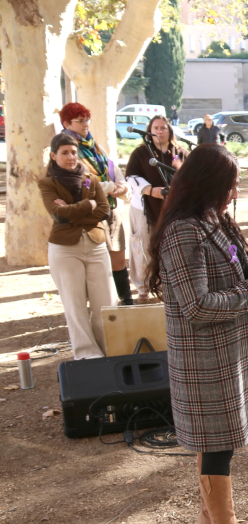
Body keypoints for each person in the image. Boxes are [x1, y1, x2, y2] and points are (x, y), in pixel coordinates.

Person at [146, 144, 248, 524]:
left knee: (218, 442)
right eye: (228, 185)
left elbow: (229, 260)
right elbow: (196, 305)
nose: (233, 193)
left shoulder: (210, 217)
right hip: (203, 358)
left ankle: (211, 517)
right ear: (206, 184)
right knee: (217, 445)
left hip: (224, 351)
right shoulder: (182, 231)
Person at [39, 134, 116, 359]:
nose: (71, 157)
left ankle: (109, 350)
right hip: (64, 249)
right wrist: (87, 205)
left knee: (106, 303)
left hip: (96, 245)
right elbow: (59, 216)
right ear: (54, 156)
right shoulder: (47, 183)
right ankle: (87, 355)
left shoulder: (90, 179)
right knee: (75, 306)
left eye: (73, 152)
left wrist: (73, 210)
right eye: (64, 152)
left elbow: (104, 210)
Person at [60, 102, 133, 305]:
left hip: (111, 209)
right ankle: (106, 307)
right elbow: (78, 182)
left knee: (118, 259)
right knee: (100, 263)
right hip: (90, 213)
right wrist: (110, 187)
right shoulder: (66, 148)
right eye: (80, 121)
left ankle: (126, 303)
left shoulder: (94, 145)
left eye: (87, 120)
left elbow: (112, 167)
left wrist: (123, 186)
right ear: (66, 123)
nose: (85, 125)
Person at [126, 114, 188, 302]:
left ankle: (168, 286)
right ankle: (143, 289)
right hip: (146, 208)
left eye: (163, 128)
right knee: (144, 246)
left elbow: (191, 176)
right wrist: (151, 191)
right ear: (149, 131)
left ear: (170, 131)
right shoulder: (141, 153)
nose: (159, 131)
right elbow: (131, 177)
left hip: (174, 210)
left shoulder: (181, 152)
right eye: (156, 128)